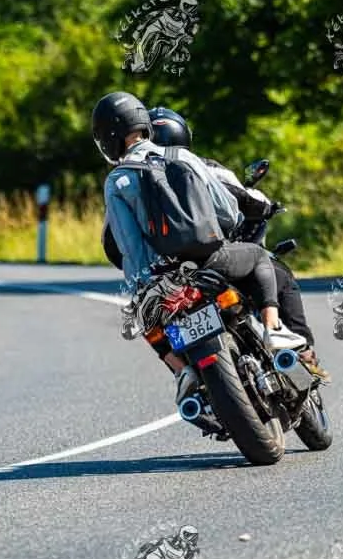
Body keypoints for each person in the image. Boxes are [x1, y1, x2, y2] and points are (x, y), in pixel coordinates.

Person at [93, 91, 307, 407]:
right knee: (259, 256)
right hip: (212, 259)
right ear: (142, 121)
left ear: (107, 139)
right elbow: (228, 210)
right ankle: (273, 328)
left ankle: (182, 371)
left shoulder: (117, 181)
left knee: (143, 315)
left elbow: (129, 245)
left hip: (166, 279)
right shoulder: (182, 157)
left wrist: (145, 288)